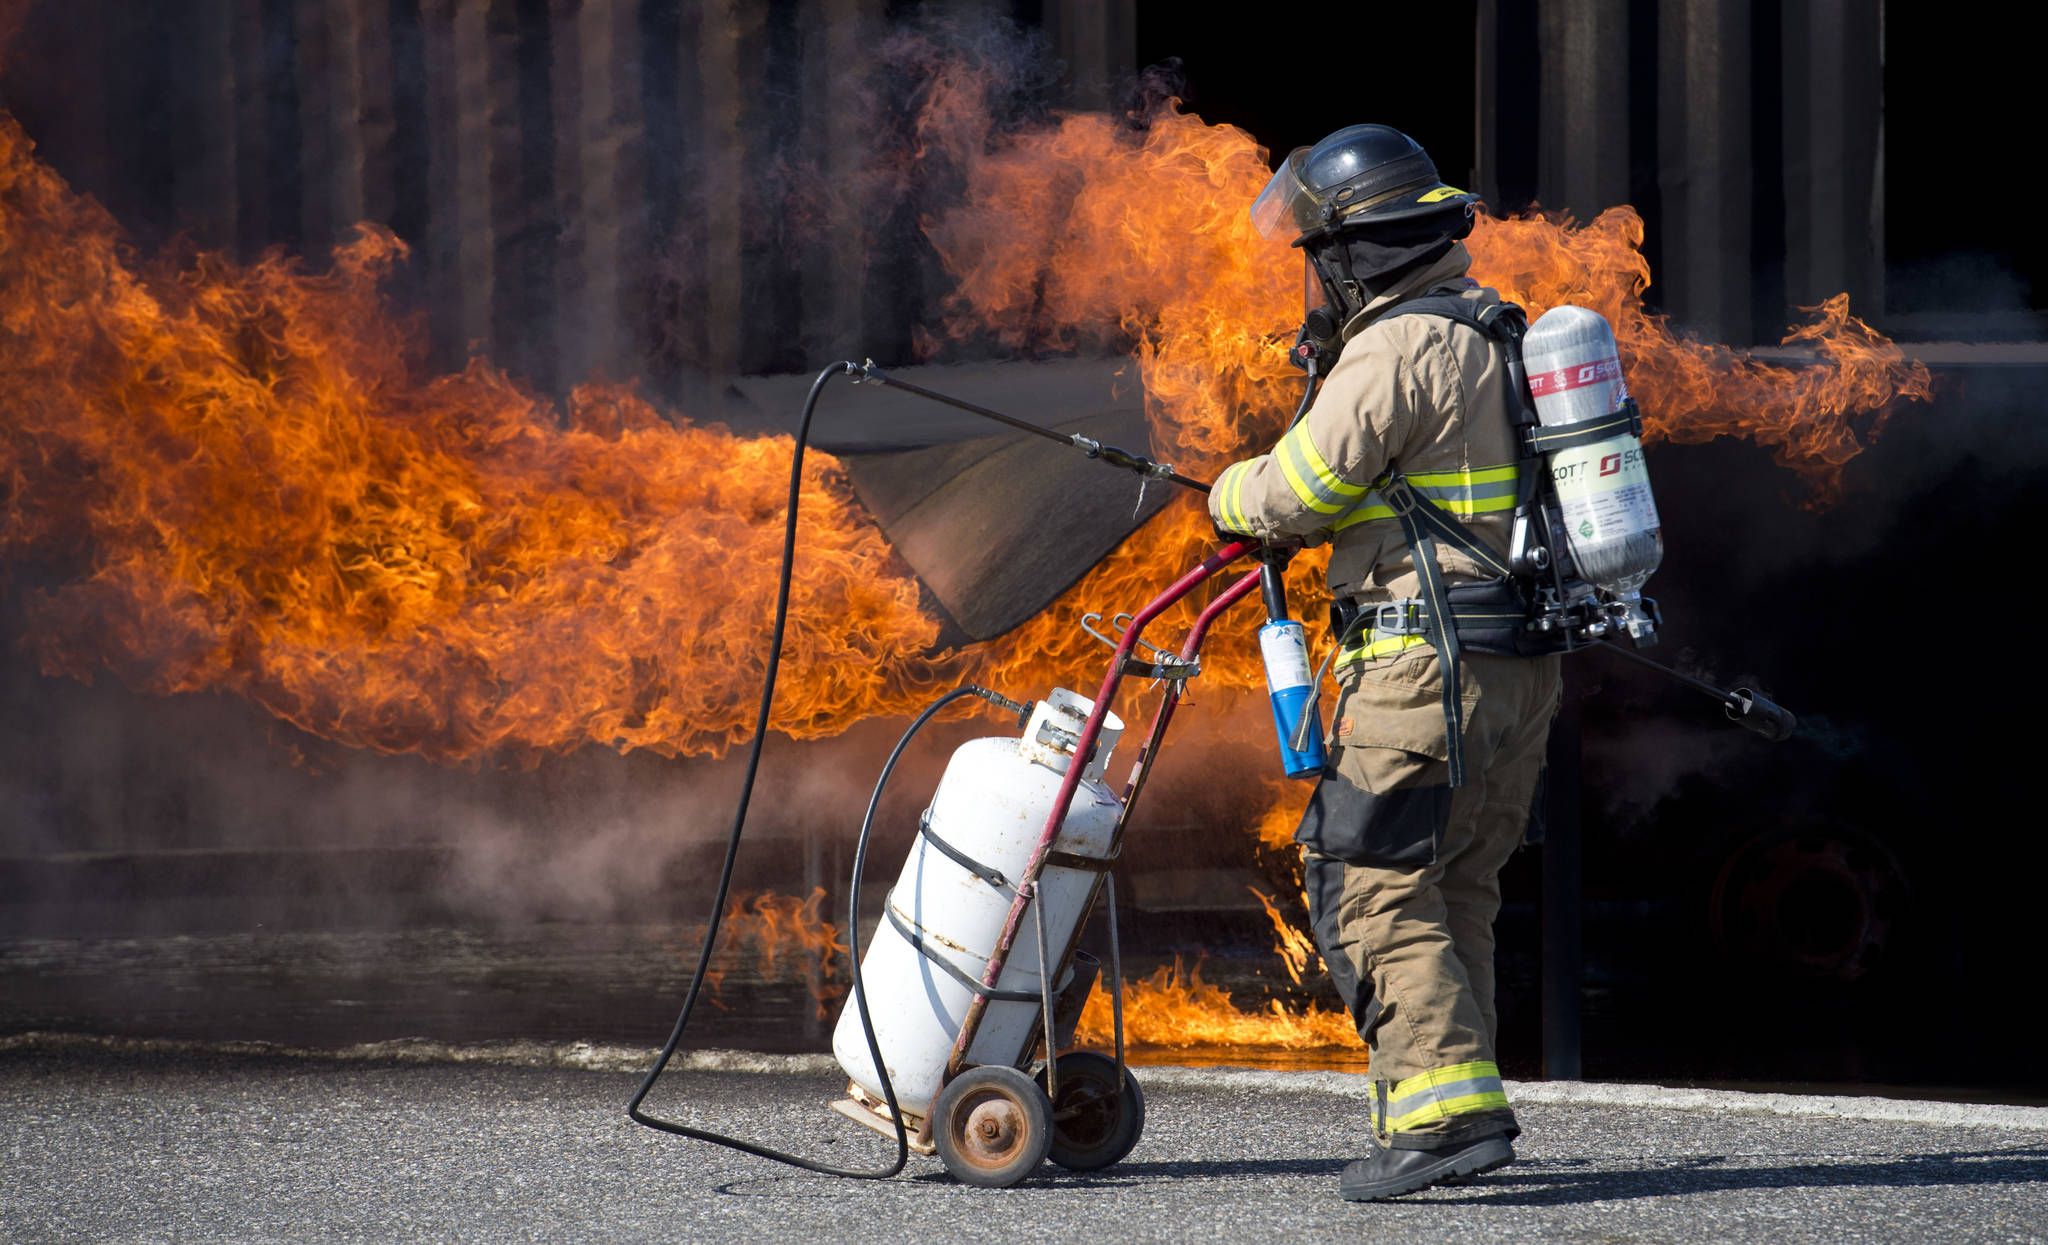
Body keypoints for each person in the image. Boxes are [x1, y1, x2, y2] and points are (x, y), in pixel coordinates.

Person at [1210, 124, 1562, 1202]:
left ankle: (1444, 1119)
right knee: (1452, 885)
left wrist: (1228, 492)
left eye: (1317, 255)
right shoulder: (1493, 328)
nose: (1311, 279)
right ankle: (1444, 1107)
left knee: (1365, 878)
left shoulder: (1397, 347)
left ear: (1353, 252)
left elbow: (1293, 495)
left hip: (1422, 672)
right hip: (1513, 669)